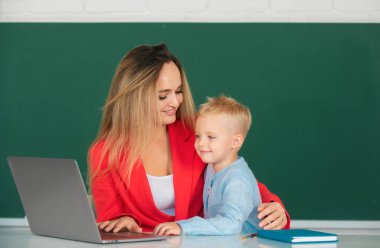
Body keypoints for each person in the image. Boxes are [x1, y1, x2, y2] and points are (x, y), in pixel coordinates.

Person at [88, 43, 290, 233]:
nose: (175, 102)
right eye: (162, 95)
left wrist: (273, 205)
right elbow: (111, 218)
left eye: (178, 91)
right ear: (134, 97)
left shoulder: (197, 131)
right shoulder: (105, 152)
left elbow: (236, 177)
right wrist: (122, 222)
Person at [154, 96, 261, 236]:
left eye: (211, 137)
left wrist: (183, 227)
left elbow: (231, 224)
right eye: (198, 136)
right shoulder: (212, 167)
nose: (201, 143)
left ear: (235, 142)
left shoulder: (238, 180)